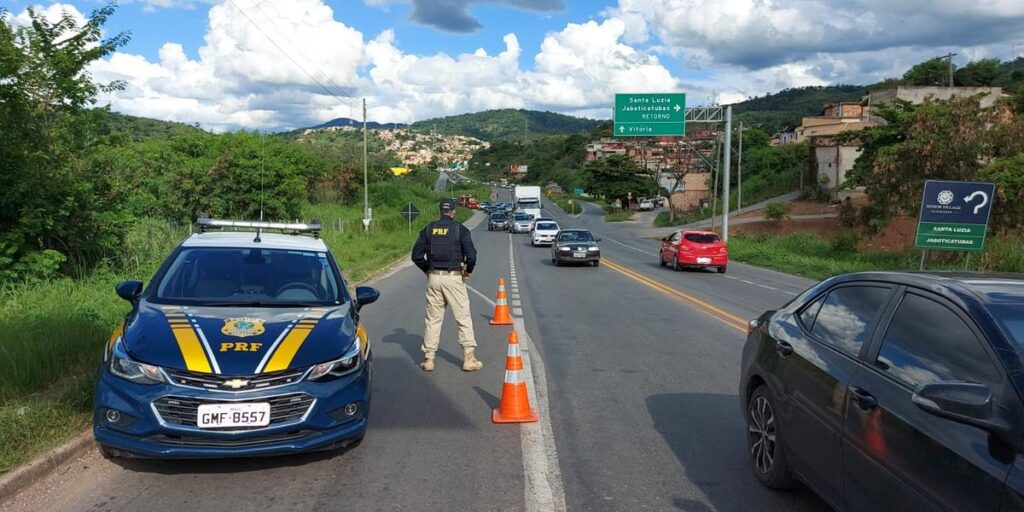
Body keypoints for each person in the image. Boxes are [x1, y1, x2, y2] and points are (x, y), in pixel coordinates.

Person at [410, 198, 482, 373]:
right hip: (454, 277)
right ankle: (469, 359)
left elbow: (416, 255)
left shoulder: (428, 229)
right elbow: (471, 256)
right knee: (463, 318)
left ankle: (429, 359)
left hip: (434, 277)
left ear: (439, 211)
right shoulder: (460, 230)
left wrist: (428, 270)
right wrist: (468, 271)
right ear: (454, 212)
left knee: (433, 319)